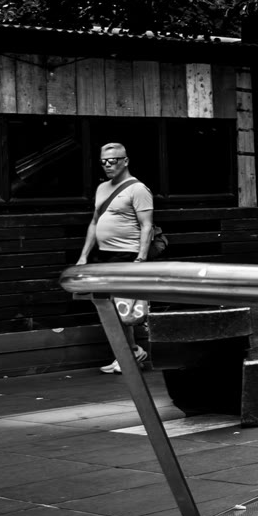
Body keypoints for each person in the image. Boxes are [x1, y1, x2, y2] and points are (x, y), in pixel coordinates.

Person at [78, 142, 154, 373]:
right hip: (104, 256)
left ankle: (130, 354)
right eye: (103, 162)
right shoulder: (102, 188)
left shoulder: (138, 189)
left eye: (113, 161)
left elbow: (147, 226)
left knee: (124, 310)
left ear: (125, 161)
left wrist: (140, 259)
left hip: (127, 255)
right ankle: (130, 352)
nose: (108, 165)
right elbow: (94, 223)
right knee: (110, 309)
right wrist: (83, 256)